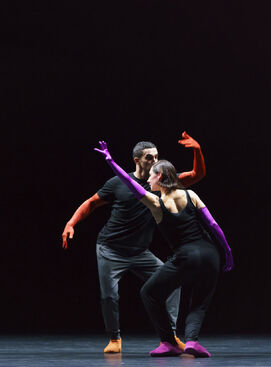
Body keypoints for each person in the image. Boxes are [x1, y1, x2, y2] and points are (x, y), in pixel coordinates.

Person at [62, 132, 206, 353]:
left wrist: (197, 150)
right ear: (137, 160)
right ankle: (114, 339)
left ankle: (170, 337)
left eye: (157, 157)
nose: (155, 162)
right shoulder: (118, 182)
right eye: (150, 158)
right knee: (109, 295)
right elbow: (91, 203)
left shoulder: (164, 183)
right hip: (110, 249)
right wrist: (71, 223)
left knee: (173, 283)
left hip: (140, 252)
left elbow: (197, 174)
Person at [94, 140, 234, 358]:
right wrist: (227, 252)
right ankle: (192, 342)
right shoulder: (190, 194)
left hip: (186, 256)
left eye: (152, 176)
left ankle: (168, 341)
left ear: (159, 177)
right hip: (210, 254)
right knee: (198, 303)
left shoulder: (157, 203)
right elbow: (214, 225)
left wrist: (111, 162)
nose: (148, 179)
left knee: (149, 293)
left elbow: (130, 184)